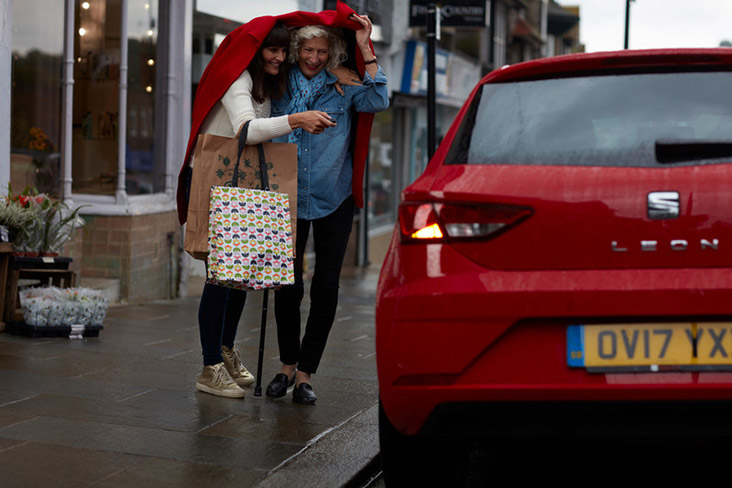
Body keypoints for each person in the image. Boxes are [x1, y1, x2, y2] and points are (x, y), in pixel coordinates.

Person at [181, 22, 337, 399]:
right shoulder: (238, 81)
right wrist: (298, 119)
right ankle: (209, 367)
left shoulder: (265, 84)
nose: (280, 58)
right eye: (272, 50)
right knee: (220, 278)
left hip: (236, 188)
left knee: (237, 278)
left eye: (284, 51)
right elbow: (245, 131)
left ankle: (225, 351)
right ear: (254, 51)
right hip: (213, 185)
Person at [266, 14, 389, 404]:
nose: (314, 58)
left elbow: (380, 98)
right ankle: (286, 365)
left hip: (333, 197)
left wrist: (365, 48)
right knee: (287, 284)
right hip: (286, 196)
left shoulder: (346, 87)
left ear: (332, 52)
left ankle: (305, 374)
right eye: (307, 50)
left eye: (322, 51)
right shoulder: (281, 85)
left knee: (326, 287)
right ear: (296, 51)